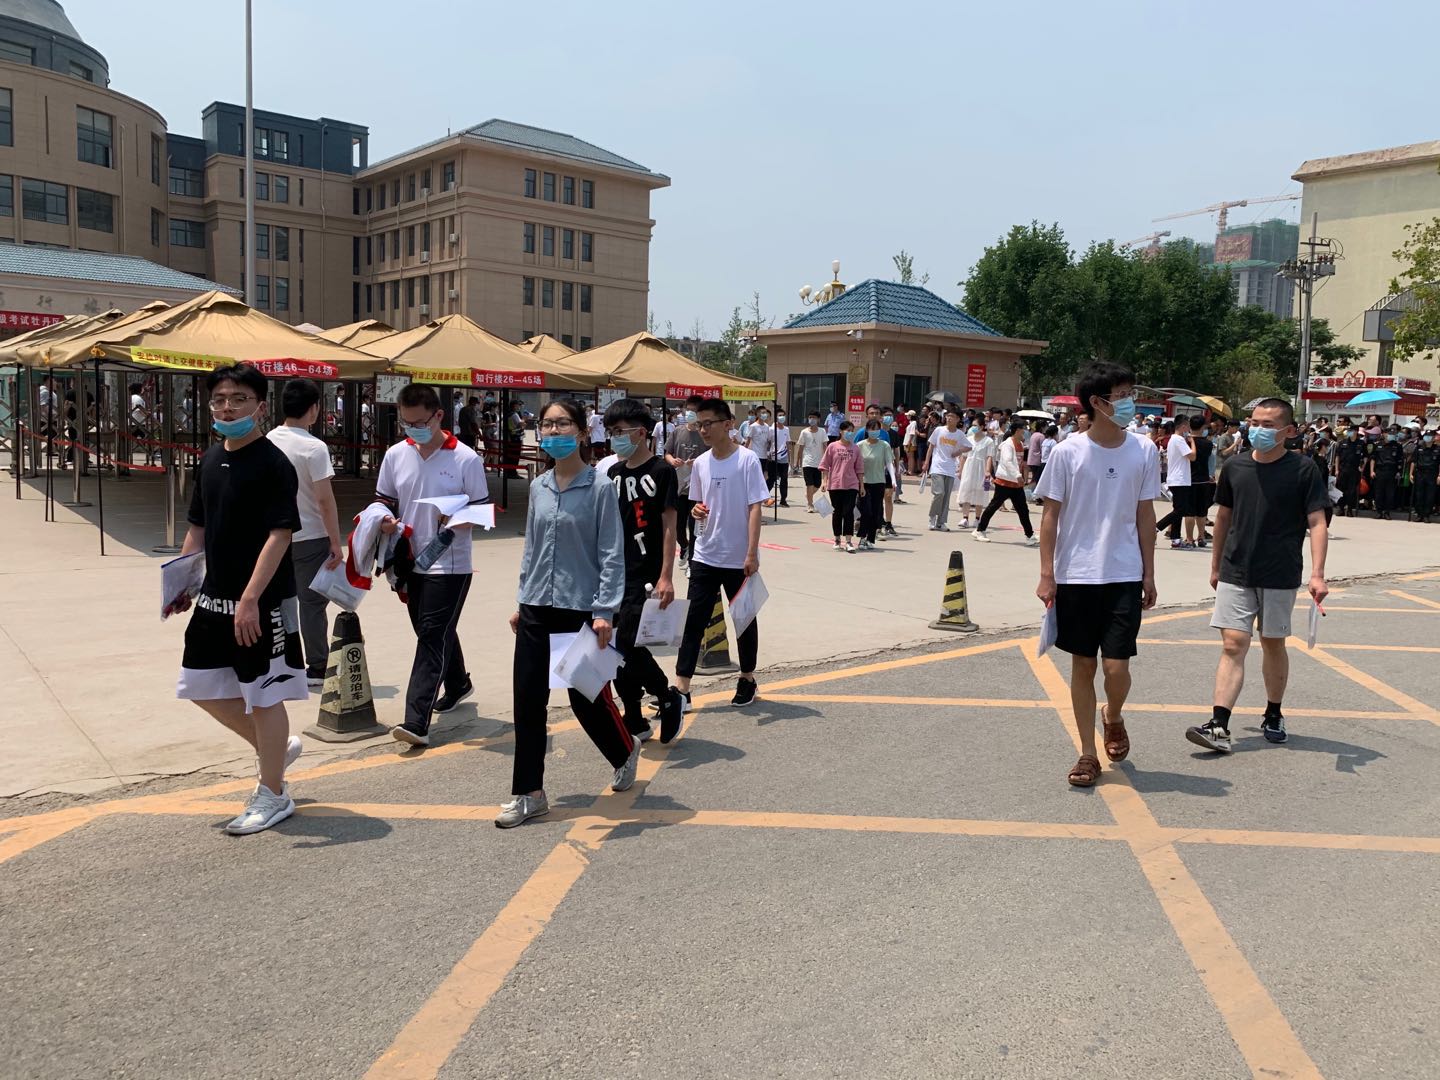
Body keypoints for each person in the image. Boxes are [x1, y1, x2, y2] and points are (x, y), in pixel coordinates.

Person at [174, 365, 306, 835]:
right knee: (199, 685)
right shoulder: (211, 459)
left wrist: (251, 598)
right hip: (213, 599)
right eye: (220, 400)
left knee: (264, 696)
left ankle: (274, 793)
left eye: (239, 399)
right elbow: (198, 527)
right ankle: (274, 750)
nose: (227, 408)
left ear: (261, 406)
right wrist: (183, 582)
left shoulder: (274, 464)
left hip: (262, 603)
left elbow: (280, 535)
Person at [498, 398, 637, 828]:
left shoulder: (600, 487)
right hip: (537, 605)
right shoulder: (539, 486)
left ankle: (624, 751)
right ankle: (529, 793)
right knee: (528, 701)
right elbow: (532, 548)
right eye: (547, 424)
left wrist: (604, 610)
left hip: (581, 608)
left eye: (562, 424)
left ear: (581, 431)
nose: (554, 432)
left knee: (586, 699)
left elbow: (611, 553)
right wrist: (522, 600)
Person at [1036, 361, 1160, 787]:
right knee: (1083, 664)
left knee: (1117, 668)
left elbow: (1146, 515)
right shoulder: (1067, 452)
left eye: (1130, 394)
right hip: (1077, 575)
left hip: (1124, 573)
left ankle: (1114, 714)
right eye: (1121, 395)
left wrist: (1149, 572)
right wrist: (1047, 574)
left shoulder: (1144, 450)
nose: (1129, 403)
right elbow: (1050, 517)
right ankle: (1087, 753)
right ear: (1097, 402)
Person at [1187, 398, 1330, 753]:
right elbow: (1223, 517)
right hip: (1236, 569)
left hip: (1280, 572)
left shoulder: (1303, 469)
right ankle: (1218, 725)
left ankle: (1273, 713)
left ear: (1289, 431)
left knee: (1272, 643)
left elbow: (1317, 522)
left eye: (1268, 425)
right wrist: (1215, 565)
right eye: (1254, 422)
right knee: (1233, 643)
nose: (1258, 429)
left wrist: (1318, 574)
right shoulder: (1235, 466)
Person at [377, 383, 490, 747]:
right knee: (433, 631)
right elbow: (383, 500)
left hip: (450, 564)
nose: (413, 429)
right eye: (406, 423)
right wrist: (383, 520)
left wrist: (455, 517)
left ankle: (416, 720)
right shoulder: (396, 455)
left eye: (420, 423)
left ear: (439, 415)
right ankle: (457, 683)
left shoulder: (466, 459)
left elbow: (482, 510)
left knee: (431, 633)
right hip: (409, 559)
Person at [600, 398, 687, 743]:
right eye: (611, 432)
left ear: (641, 432)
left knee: (626, 643)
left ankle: (666, 695)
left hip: (645, 573)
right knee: (612, 646)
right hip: (613, 572)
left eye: (620, 431)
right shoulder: (613, 474)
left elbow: (669, 526)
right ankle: (634, 716)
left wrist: (666, 576)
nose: (614, 438)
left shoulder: (662, 471)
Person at [674, 397, 768, 708]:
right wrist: (696, 511)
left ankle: (747, 678)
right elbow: (697, 504)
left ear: (727, 424)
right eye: (699, 424)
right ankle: (682, 687)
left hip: (738, 557)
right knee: (693, 621)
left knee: (743, 619)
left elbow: (755, 507)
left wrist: (751, 553)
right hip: (705, 554)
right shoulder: (701, 463)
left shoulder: (747, 460)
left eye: (708, 423)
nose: (703, 430)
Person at [266, 379, 345, 688]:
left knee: (276, 600)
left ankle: (278, 661)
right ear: (313, 409)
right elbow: (325, 500)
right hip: (310, 536)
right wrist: (336, 541)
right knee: (311, 604)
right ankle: (317, 665)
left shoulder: (269, 440)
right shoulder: (314, 447)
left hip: (274, 536)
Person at [972, 422, 1037, 545]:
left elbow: (1017, 462)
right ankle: (980, 530)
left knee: (1023, 510)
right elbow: (1007, 462)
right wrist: (1017, 475)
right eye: (1022, 429)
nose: (1024, 432)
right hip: (1004, 482)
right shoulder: (1008, 445)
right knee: (993, 506)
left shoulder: (1020, 444)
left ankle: (1030, 535)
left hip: (1015, 483)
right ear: (1017, 430)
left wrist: (1019, 475)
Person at [665, 397, 707, 573]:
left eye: (694, 410)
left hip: (697, 489)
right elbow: (667, 453)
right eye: (688, 409)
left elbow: (712, 455)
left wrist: (697, 462)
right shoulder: (677, 431)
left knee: (694, 525)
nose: (690, 413)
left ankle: (692, 563)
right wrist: (673, 460)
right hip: (678, 487)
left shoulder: (704, 433)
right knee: (678, 526)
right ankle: (685, 546)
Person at [818, 420, 862, 551]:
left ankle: (848, 541)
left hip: (852, 484)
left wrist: (862, 485)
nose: (850, 433)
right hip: (835, 484)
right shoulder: (832, 446)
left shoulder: (855, 448)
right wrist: (824, 481)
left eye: (852, 431)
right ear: (841, 431)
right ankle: (837, 538)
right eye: (848, 430)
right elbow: (825, 465)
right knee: (837, 512)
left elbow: (859, 468)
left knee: (848, 512)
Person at [924, 406, 969, 531]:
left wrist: (958, 451)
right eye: (948, 416)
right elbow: (931, 446)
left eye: (952, 416)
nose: (949, 418)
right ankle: (932, 517)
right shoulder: (939, 430)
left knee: (946, 496)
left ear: (958, 419)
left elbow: (969, 446)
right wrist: (926, 462)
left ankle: (941, 522)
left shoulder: (960, 434)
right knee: (939, 493)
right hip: (937, 467)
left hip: (950, 468)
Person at [856, 419, 891, 550]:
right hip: (864, 483)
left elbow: (889, 464)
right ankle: (862, 537)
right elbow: (854, 464)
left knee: (876, 512)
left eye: (877, 429)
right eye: (872, 429)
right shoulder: (860, 445)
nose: (874, 431)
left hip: (879, 482)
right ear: (867, 430)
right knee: (866, 511)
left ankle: (870, 539)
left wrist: (893, 480)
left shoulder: (884, 445)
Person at [956, 422, 994, 528]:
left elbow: (989, 457)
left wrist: (987, 470)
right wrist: (960, 470)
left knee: (979, 491)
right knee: (966, 490)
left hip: (981, 468)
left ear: (981, 427)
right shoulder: (968, 439)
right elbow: (963, 456)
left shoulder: (988, 441)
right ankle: (965, 518)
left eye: (975, 425)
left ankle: (977, 518)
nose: (973, 427)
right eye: (972, 425)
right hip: (969, 467)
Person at [1368, 426, 1404, 519]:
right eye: (1389, 433)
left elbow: (1400, 460)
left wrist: (1399, 472)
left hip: (1392, 472)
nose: (1391, 435)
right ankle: (1379, 512)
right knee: (1378, 493)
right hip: (1380, 471)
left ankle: (1387, 512)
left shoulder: (1397, 446)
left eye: (1393, 434)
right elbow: (1373, 459)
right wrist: (1372, 471)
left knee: (1390, 494)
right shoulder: (1377, 445)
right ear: (1384, 434)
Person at [796, 411, 829, 512]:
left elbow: (825, 446)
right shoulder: (804, 432)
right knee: (809, 484)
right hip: (807, 462)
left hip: (819, 462)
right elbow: (800, 448)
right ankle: (810, 505)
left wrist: (827, 460)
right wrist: (798, 461)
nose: (812, 419)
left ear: (818, 419)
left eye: (814, 417)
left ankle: (808, 495)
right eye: (810, 417)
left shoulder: (822, 431)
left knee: (817, 485)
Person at [745, 406, 778, 507]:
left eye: (765, 413)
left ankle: (761, 499)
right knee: (757, 478)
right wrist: (744, 453)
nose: (765, 414)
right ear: (757, 414)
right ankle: (763, 499)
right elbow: (748, 441)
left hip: (764, 456)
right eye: (762, 413)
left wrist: (770, 451)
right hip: (755, 456)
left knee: (762, 478)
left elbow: (768, 441)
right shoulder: (753, 426)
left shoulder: (767, 426)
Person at [1411, 430, 1439, 523]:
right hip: (1420, 473)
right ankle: (1419, 514)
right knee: (1419, 495)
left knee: (1430, 496)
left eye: (1430, 436)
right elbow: (1414, 461)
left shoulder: (1438, 449)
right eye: (1426, 435)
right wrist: (1411, 474)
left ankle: (1426, 515)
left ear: (1434, 438)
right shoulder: (1419, 448)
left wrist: (1439, 475)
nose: (1428, 437)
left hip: (1432, 474)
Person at [773, 408, 791, 507]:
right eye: (780, 415)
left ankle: (783, 499)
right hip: (773, 457)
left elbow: (788, 443)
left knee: (784, 479)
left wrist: (789, 458)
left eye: (783, 415)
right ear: (776, 417)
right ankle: (765, 498)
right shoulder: (771, 429)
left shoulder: (786, 429)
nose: (782, 417)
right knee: (771, 478)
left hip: (784, 457)